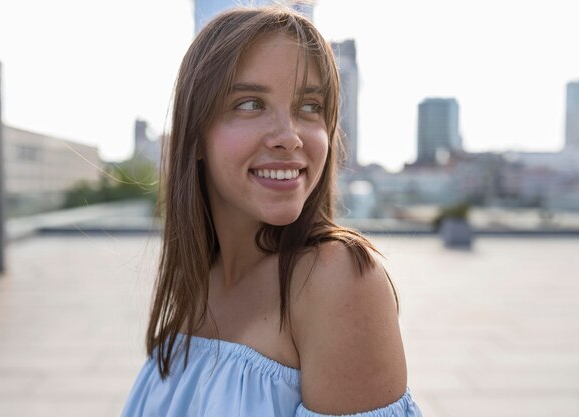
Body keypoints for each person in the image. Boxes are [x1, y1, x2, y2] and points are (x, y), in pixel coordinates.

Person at [121, 5, 423, 417]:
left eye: (310, 107)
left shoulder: (337, 282)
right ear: (195, 137)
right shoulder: (198, 279)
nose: (289, 137)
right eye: (249, 104)